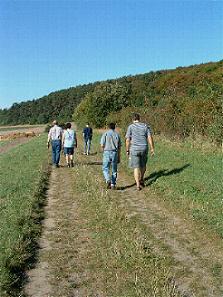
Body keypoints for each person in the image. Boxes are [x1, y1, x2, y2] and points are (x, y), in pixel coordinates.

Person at [125, 113, 154, 191]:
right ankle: (141, 178)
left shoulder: (130, 127)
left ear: (132, 119)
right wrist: (152, 148)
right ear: (139, 119)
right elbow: (149, 137)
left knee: (136, 167)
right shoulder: (145, 126)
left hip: (134, 149)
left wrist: (127, 149)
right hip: (144, 148)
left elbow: (127, 140)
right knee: (143, 165)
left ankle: (138, 184)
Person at [100, 123, 121, 189]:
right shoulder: (117, 134)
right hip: (115, 152)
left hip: (107, 152)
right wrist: (119, 156)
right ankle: (113, 184)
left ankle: (108, 179)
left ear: (108, 127)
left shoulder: (105, 134)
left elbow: (102, 145)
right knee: (114, 169)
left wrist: (103, 151)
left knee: (105, 168)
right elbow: (119, 146)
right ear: (115, 127)